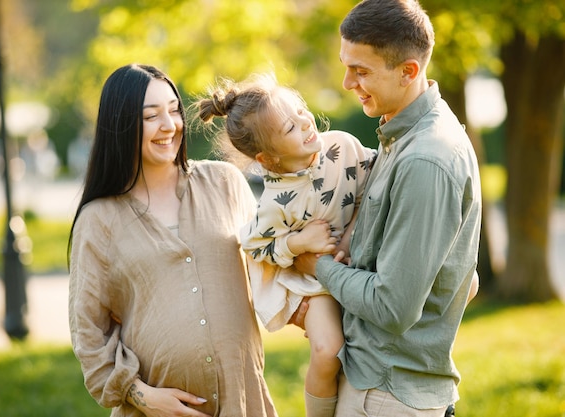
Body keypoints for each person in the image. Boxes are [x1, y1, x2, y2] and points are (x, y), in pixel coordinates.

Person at [293, 1, 482, 416]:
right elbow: (466, 282)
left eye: (361, 71)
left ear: (409, 71)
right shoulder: (402, 136)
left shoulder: (425, 159)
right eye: (346, 66)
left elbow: (393, 307)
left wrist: (316, 266)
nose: (346, 83)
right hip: (380, 384)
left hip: (385, 397)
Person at [67, 64, 278, 417]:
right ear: (121, 126)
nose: (170, 125)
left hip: (245, 403)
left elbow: (273, 261)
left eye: (174, 110)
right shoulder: (98, 221)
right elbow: (89, 333)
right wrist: (143, 397)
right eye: (151, 116)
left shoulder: (225, 183)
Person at [195, 73, 376, 417]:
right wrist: (298, 241)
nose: (307, 124)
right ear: (268, 158)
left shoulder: (341, 147)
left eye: (301, 112)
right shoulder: (275, 202)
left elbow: (379, 178)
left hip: (360, 259)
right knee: (327, 350)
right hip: (315, 284)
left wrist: (351, 231)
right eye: (290, 129)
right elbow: (255, 246)